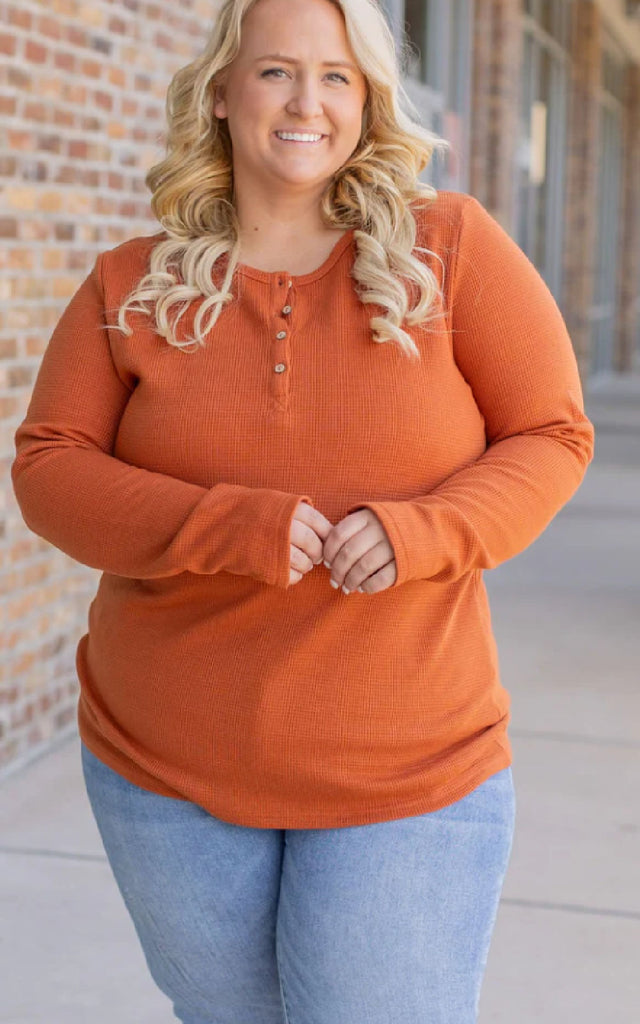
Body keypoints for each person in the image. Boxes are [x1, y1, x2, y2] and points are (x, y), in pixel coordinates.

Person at [11, 0, 595, 1020]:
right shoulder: (132, 284)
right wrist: (225, 525)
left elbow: (550, 435)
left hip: (409, 768)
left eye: (337, 77)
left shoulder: (450, 250)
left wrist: (426, 532)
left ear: (368, 101)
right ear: (223, 93)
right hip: (165, 771)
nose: (307, 102)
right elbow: (49, 469)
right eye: (277, 72)